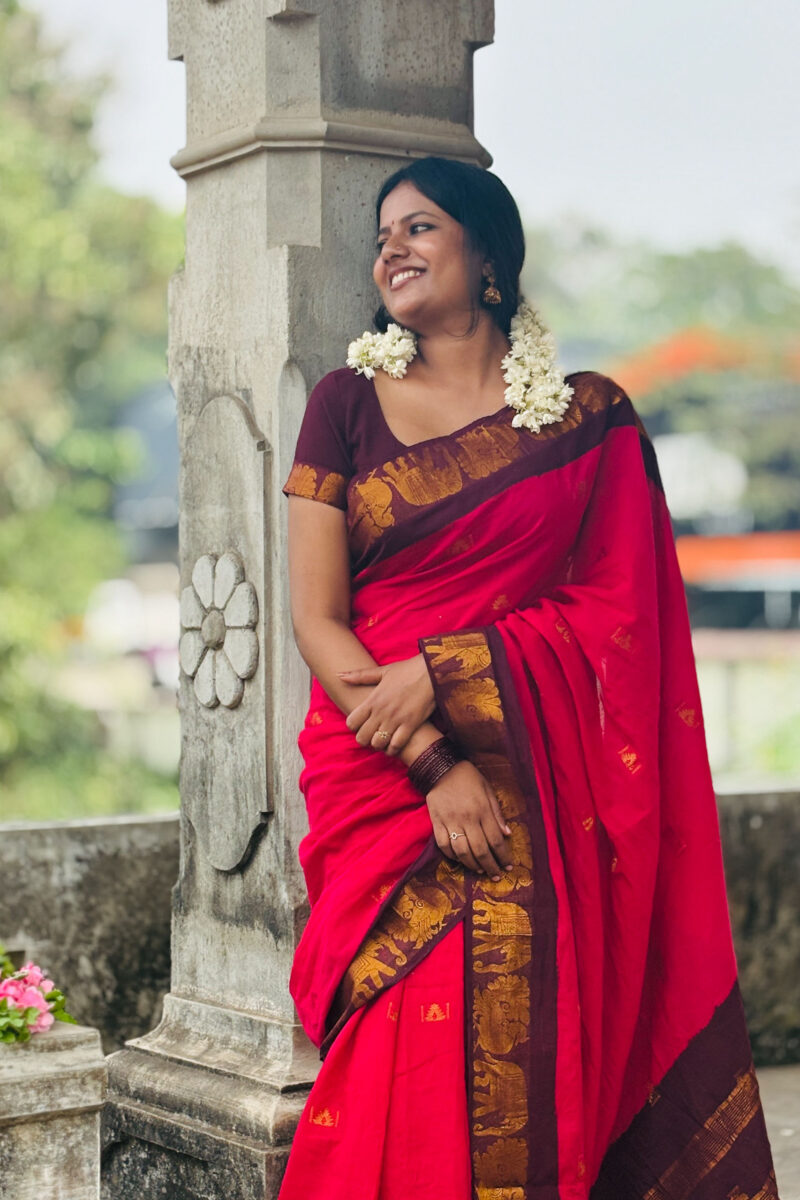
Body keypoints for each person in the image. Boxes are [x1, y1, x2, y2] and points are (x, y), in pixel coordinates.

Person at [277, 156, 778, 1200]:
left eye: (418, 226)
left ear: (487, 256)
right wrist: (428, 758)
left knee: (539, 1049)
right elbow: (318, 622)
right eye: (382, 235)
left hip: (540, 784)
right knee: (391, 1058)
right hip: (385, 781)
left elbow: (620, 615)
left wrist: (450, 670)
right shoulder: (343, 402)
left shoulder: (585, 419)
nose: (391, 248)